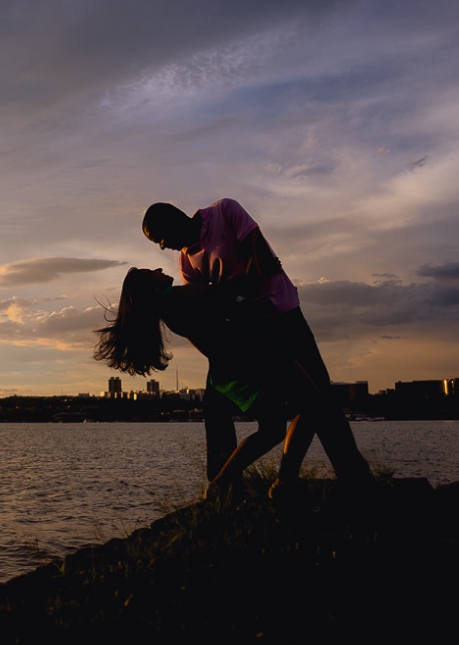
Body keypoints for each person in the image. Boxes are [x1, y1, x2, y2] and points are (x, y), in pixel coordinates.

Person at [141, 199, 374, 496]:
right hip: (252, 334)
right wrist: (233, 292)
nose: (162, 246)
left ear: (174, 218)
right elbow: (212, 307)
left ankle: (339, 477)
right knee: (309, 402)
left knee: (317, 396)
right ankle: (282, 482)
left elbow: (261, 261)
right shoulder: (186, 262)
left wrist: (223, 293)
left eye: (159, 236)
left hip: (283, 313)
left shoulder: (224, 212)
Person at [94, 267, 314, 499]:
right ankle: (265, 483)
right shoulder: (177, 296)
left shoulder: (168, 311)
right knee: (306, 406)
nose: (160, 269)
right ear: (151, 286)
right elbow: (225, 295)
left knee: (275, 427)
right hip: (248, 359)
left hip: (230, 366)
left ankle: (237, 483)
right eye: (153, 272)